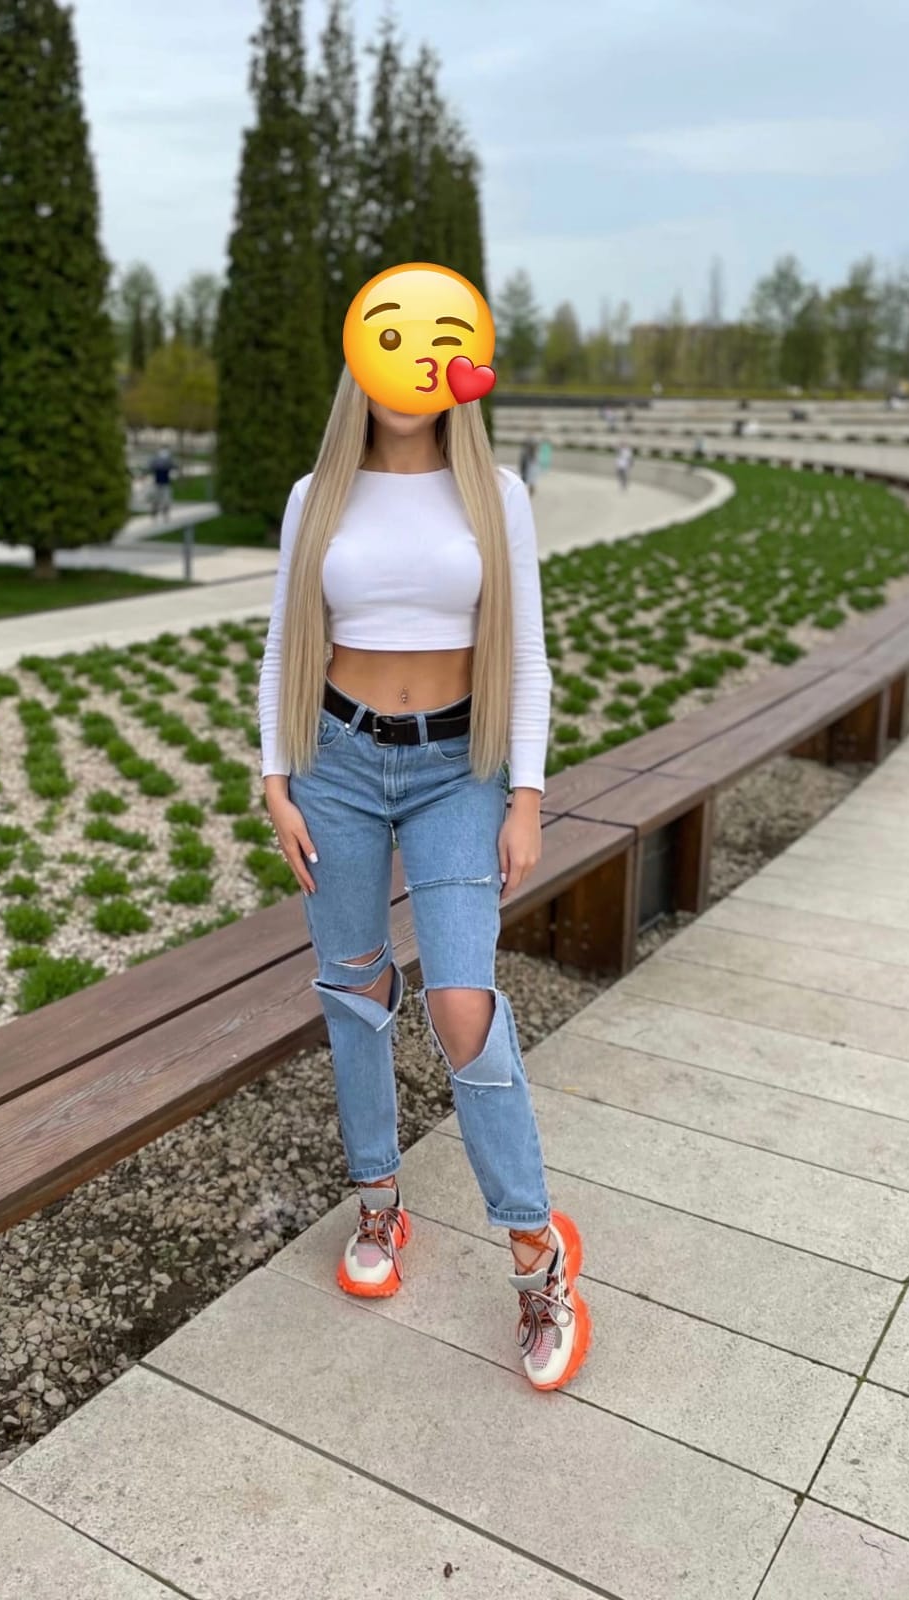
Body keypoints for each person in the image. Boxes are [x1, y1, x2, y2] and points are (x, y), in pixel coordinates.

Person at [258, 368, 592, 1393]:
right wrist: (274, 778)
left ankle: (537, 1250)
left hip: (459, 769)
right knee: (355, 985)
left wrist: (526, 796)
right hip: (335, 763)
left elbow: (526, 655)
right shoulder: (316, 494)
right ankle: (378, 1205)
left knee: (460, 1000)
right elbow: (282, 643)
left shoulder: (496, 493)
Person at [150, 448, 176, 517]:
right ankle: (155, 510)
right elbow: (151, 466)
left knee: (166, 499)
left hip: (166, 484)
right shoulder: (156, 464)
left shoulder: (168, 464)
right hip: (158, 484)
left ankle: (165, 511)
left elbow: (174, 466)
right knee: (156, 498)